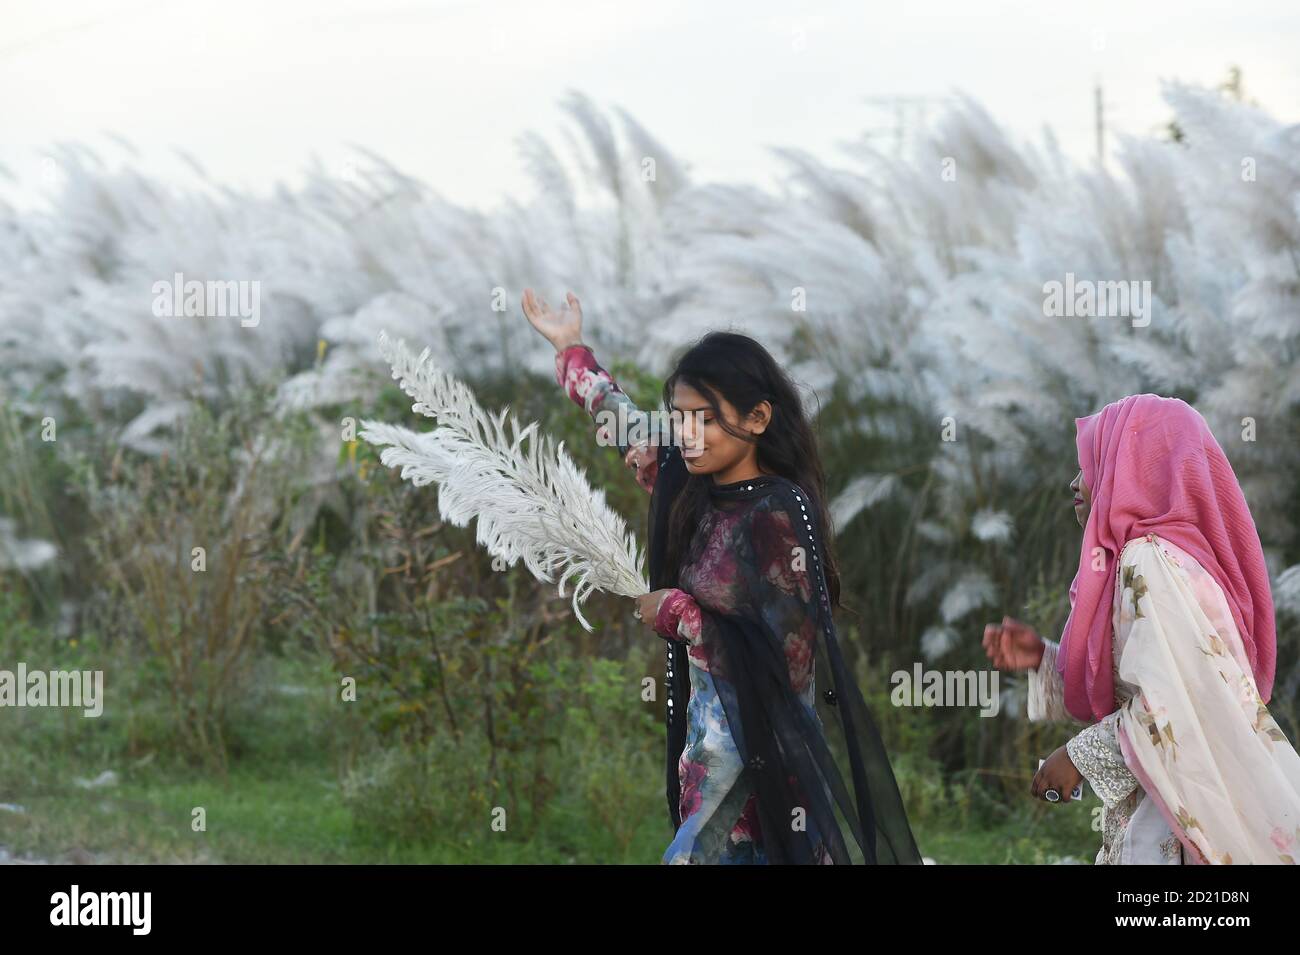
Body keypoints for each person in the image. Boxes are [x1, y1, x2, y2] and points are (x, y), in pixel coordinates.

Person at [521, 288, 921, 865]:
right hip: (707, 752)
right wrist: (569, 346)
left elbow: (790, 661)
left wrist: (680, 616)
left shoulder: (778, 514)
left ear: (758, 417)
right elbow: (618, 419)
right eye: (681, 416)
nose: (687, 432)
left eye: (706, 419)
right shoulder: (690, 484)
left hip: (762, 763)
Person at [983, 393, 1300, 864]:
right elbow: (1159, 681)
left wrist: (1077, 756)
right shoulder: (1180, 559)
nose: (1076, 481)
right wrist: (1045, 658)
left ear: (1133, 468)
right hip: (1207, 790)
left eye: (1095, 462)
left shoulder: (1148, 560)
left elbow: (1173, 702)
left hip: (1180, 815)